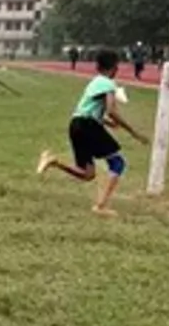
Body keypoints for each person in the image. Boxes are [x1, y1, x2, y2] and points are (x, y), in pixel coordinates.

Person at [36, 49, 148, 217]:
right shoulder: (109, 84)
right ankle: (101, 206)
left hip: (76, 124)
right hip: (87, 125)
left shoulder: (94, 82)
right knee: (118, 163)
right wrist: (134, 132)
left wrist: (108, 123)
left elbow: (89, 111)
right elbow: (111, 110)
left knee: (88, 174)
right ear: (113, 67)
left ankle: (54, 161)